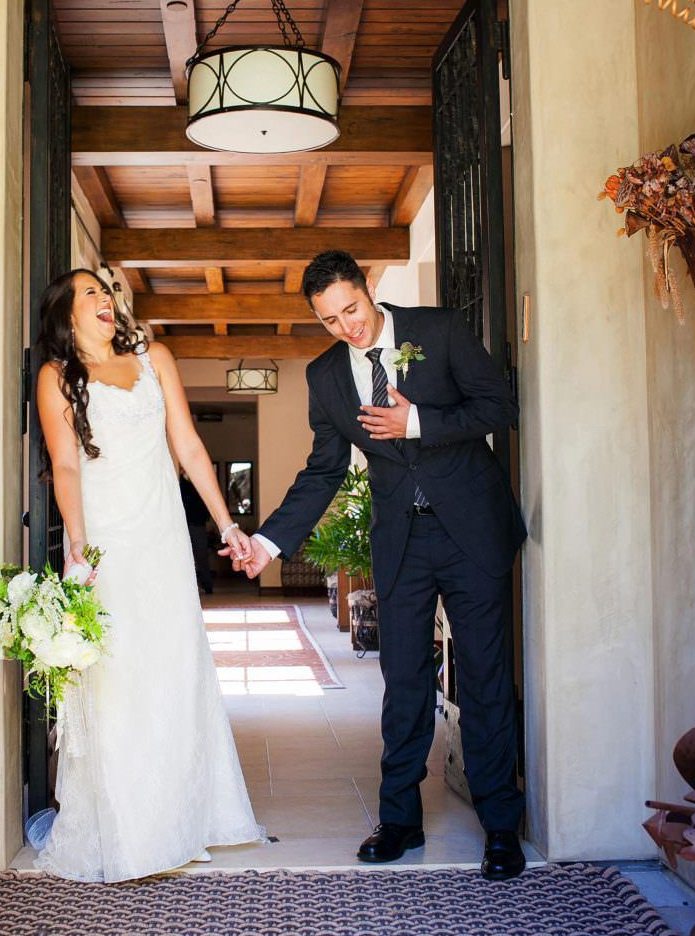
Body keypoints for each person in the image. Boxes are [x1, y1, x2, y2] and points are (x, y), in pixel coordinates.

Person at [225, 250, 528, 880]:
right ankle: (400, 820)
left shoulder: (439, 329)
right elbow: (323, 471)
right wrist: (270, 543)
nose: (348, 328)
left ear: (369, 289)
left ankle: (501, 824)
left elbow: (500, 405)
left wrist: (416, 419)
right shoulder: (325, 376)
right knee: (405, 682)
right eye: (330, 320)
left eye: (352, 310)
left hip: (472, 530)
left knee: (485, 676)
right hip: (401, 543)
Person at [33, 268, 264, 883]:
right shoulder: (56, 377)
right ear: (67, 315)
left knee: (173, 668)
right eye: (90, 294)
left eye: (106, 292)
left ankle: (184, 818)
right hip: (107, 544)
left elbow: (188, 446)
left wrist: (228, 526)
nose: (105, 301)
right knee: (117, 679)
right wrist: (79, 549)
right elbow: (64, 464)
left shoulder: (154, 356)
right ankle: (132, 829)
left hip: (161, 540)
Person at [180, 471, 214, 594]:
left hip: (198, 524)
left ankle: (207, 585)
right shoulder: (179, 483)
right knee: (185, 557)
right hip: (183, 525)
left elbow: (206, 502)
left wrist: (204, 518)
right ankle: (189, 588)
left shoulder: (199, 481)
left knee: (202, 555)